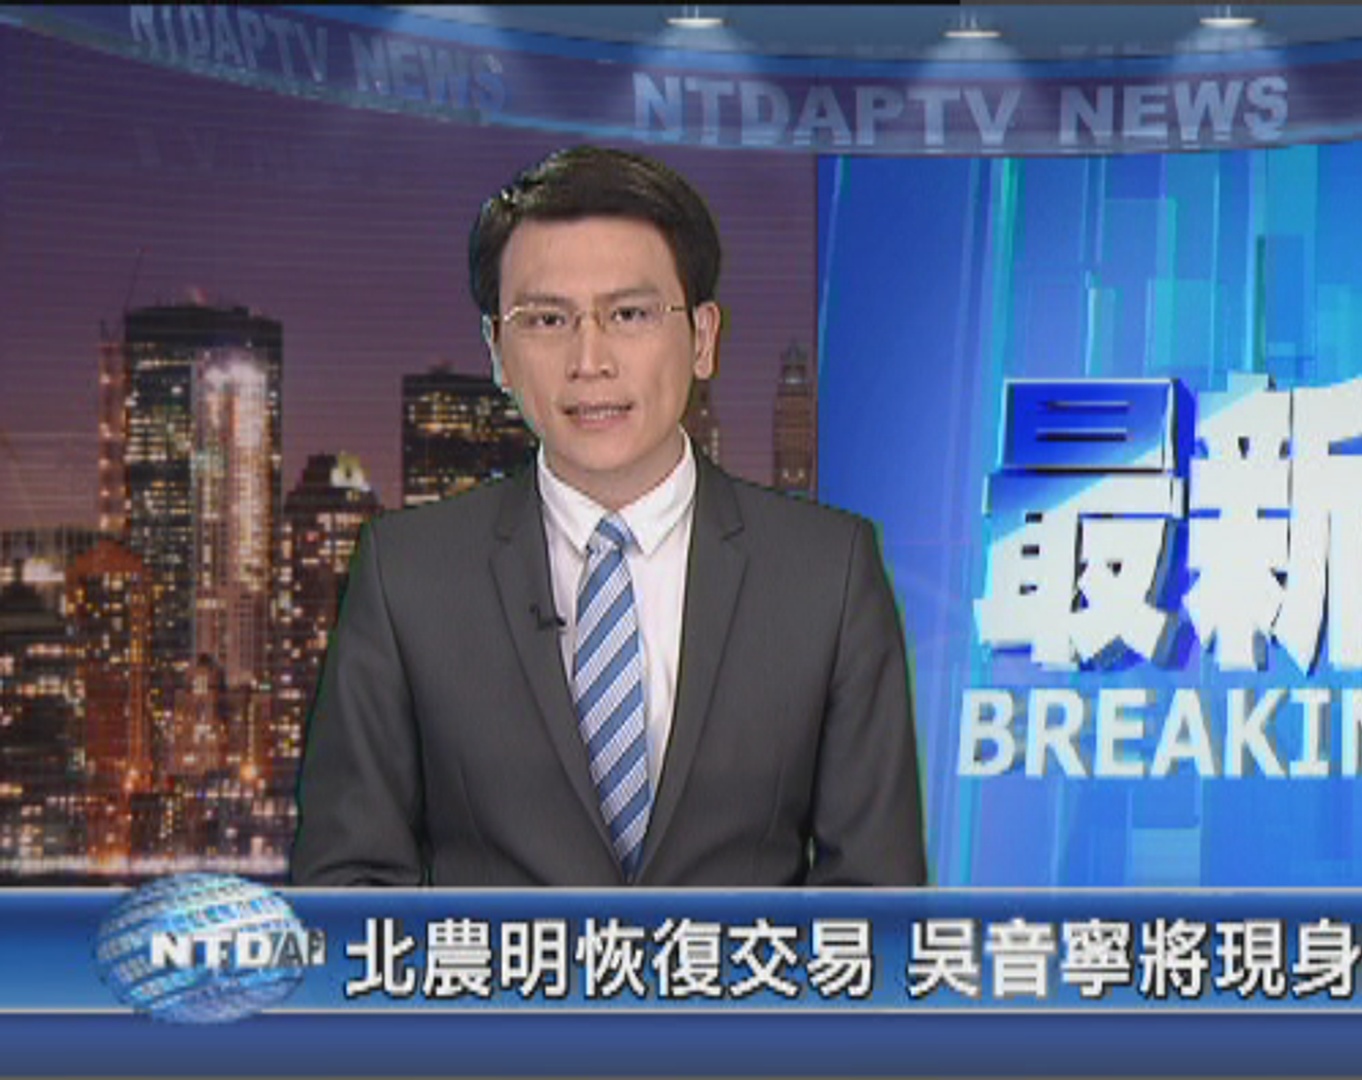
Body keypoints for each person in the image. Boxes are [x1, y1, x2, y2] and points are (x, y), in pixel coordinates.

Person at [290, 146, 927, 887]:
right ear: (497, 352)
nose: (589, 360)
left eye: (629, 314)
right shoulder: (407, 575)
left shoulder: (827, 573)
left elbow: (875, 904)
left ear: (704, 338)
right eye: (546, 319)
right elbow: (347, 890)